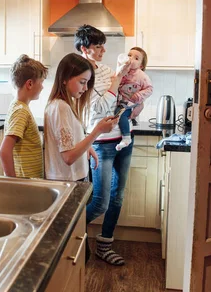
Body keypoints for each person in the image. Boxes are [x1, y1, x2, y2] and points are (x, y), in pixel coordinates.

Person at [75, 24, 133, 266]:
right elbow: (96, 109)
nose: (103, 50)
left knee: (117, 198)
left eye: (102, 45)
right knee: (100, 201)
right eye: (98, 46)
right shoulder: (81, 74)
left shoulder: (107, 69)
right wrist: (117, 79)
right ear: (85, 49)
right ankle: (68, 234)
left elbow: (117, 98)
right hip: (101, 143)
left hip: (123, 139)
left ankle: (103, 245)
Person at [44, 53, 117, 181]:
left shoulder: (63, 104)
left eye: (87, 83)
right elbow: (68, 157)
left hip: (69, 178)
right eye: (82, 82)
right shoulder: (60, 107)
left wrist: (86, 147)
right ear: (65, 79)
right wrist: (98, 130)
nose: (85, 88)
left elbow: (69, 143)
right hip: (67, 180)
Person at [0, 54, 48, 178]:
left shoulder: (19, 107)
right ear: (30, 84)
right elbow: (4, 151)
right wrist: (14, 183)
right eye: (41, 82)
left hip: (28, 182)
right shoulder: (21, 111)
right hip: (25, 184)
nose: (42, 87)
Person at [115, 47, 153, 151]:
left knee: (120, 113)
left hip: (132, 102)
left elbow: (150, 89)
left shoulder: (142, 76)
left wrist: (139, 96)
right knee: (119, 112)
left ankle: (126, 138)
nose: (131, 59)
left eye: (136, 58)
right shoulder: (123, 71)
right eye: (129, 55)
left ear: (141, 65)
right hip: (123, 100)